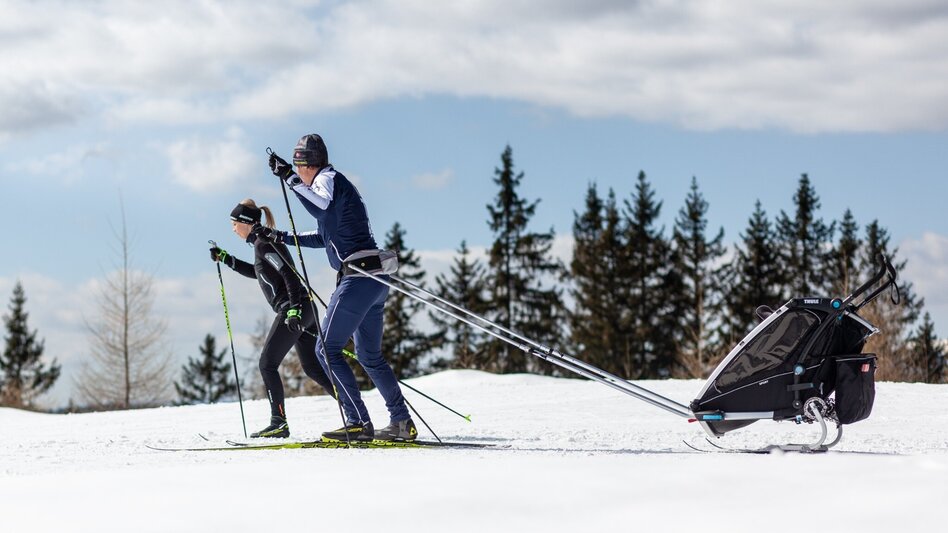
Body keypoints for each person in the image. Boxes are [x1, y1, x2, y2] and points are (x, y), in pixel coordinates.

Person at [262, 133, 417, 442]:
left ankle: (357, 422)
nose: (300, 175)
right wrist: (281, 237)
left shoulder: (328, 179)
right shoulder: (332, 186)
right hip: (373, 279)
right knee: (370, 356)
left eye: (299, 167)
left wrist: (288, 178)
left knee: (325, 348)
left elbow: (318, 207)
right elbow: (322, 235)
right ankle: (401, 422)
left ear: (307, 165)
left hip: (358, 278)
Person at [209, 198, 335, 438]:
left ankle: (278, 423)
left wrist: (293, 309)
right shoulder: (262, 242)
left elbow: (288, 273)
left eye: (234, 223)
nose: (233, 228)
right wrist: (226, 258)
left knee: (266, 364)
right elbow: (258, 272)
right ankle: (353, 410)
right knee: (312, 368)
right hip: (304, 309)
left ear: (246, 222)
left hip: (294, 309)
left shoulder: (263, 243)